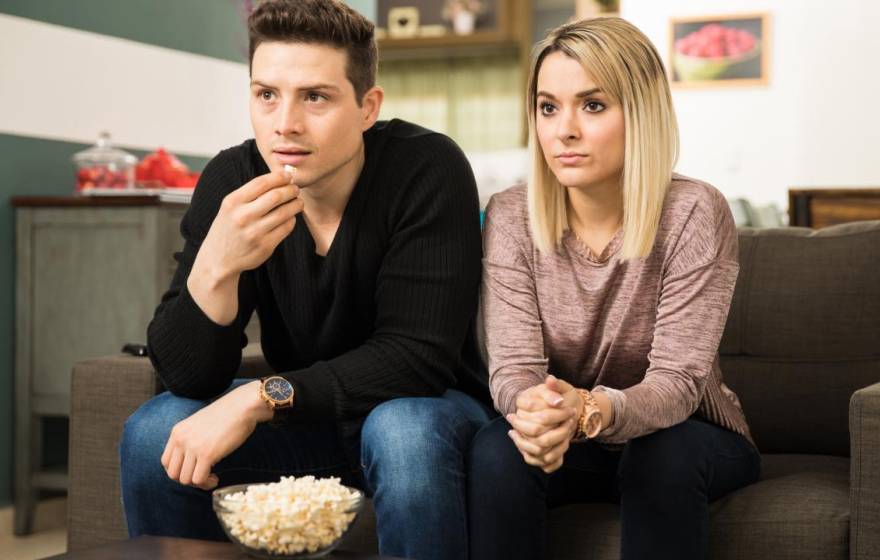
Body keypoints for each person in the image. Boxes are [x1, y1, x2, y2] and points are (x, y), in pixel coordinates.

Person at [118, 1, 492, 559]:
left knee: (403, 431)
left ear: (368, 107)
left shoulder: (426, 169)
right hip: (308, 421)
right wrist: (217, 265)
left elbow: (417, 358)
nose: (284, 123)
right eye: (266, 94)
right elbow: (185, 375)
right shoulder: (233, 178)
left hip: (428, 411)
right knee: (154, 431)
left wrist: (259, 399)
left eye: (314, 96)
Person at [468, 17, 760, 560]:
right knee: (496, 448)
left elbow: (678, 381)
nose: (564, 130)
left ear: (641, 114)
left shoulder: (694, 211)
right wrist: (538, 412)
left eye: (593, 105)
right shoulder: (510, 214)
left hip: (686, 435)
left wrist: (592, 410)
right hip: (569, 441)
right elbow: (513, 370)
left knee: (661, 453)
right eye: (548, 107)